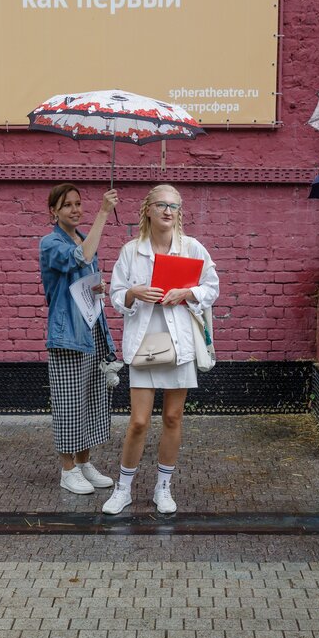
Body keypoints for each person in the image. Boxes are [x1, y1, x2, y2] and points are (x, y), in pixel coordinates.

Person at [102, 184, 220, 515]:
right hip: (144, 345)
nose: (168, 211)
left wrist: (186, 293)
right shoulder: (131, 251)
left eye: (174, 206)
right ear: (148, 210)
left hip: (179, 344)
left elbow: (212, 288)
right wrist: (134, 293)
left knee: (172, 417)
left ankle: (163, 487)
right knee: (139, 421)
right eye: (161, 205)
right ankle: (123, 488)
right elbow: (116, 295)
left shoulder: (192, 248)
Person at [39, 183, 121, 495]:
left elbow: (84, 275)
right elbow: (81, 257)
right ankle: (67, 469)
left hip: (91, 330)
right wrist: (104, 212)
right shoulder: (50, 243)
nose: (75, 209)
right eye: (67, 205)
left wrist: (96, 288)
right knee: (68, 403)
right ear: (54, 212)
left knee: (90, 399)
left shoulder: (85, 237)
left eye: (77, 203)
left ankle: (84, 463)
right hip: (67, 336)